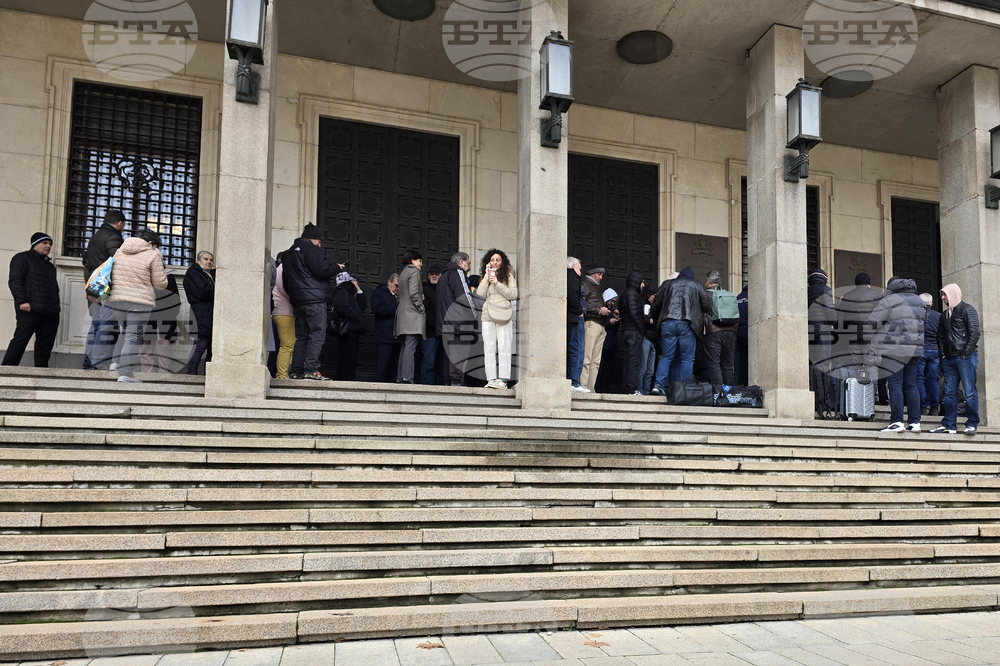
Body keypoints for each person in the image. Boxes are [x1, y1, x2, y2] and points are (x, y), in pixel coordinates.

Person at [282, 223, 344, 381]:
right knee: (317, 334)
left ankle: (296, 371)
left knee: (301, 337)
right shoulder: (311, 249)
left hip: (298, 302)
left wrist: (295, 296)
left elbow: (285, 280)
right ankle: (311, 370)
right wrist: (336, 267)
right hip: (315, 300)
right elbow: (322, 270)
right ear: (313, 238)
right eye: (319, 241)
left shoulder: (288, 254)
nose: (320, 244)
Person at [106, 228, 168, 382]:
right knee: (133, 337)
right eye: (154, 245)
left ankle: (116, 363)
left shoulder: (119, 251)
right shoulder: (153, 255)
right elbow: (161, 284)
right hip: (139, 302)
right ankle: (125, 374)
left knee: (126, 332)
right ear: (149, 243)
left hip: (117, 300)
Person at [649, 267, 710, 396]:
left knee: (666, 357)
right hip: (688, 323)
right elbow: (706, 305)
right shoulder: (697, 285)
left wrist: (654, 319)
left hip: (667, 322)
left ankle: (658, 385)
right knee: (687, 359)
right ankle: (683, 389)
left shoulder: (667, 284)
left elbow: (655, 305)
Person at [2, 232, 60, 368]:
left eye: (50, 244)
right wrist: (22, 301)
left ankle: (42, 373)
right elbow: (15, 281)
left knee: (45, 346)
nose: (48, 246)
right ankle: (7, 370)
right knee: (20, 340)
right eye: (44, 243)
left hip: (50, 312)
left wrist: (56, 309)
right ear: (35, 244)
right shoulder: (22, 258)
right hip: (30, 309)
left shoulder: (50, 266)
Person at [932, 284, 980, 435]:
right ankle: (949, 424)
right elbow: (940, 336)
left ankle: (972, 423)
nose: (943, 298)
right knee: (949, 393)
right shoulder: (944, 315)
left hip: (965, 357)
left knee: (969, 392)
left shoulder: (967, 310)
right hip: (949, 359)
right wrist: (942, 354)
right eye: (942, 295)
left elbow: (975, 333)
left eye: (945, 294)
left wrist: (965, 353)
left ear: (952, 294)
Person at [82, 210, 124, 370]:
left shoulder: (96, 236)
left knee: (97, 324)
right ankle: (98, 362)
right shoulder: (112, 237)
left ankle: (89, 359)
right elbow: (119, 261)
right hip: (108, 288)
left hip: (96, 288)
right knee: (107, 324)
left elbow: (87, 263)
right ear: (120, 223)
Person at [477, 249, 518, 390]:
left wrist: (497, 283)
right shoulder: (487, 275)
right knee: (488, 347)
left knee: (504, 346)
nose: (495, 262)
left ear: (503, 262)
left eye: (497, 260)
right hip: (488, 314)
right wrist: (486, 277)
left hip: (503, 314)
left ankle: (503, 380)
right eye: (492, 260)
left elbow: (513, 294)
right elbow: (480, 293)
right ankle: (491, 379)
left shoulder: (508, 275)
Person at [437, 252, 475, 387]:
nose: (469, 267)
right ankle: (455, 381)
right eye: (468, 263)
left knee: (450, 353)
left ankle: (449, 380)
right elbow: (464, 297)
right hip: (458, 321)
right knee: (459, 351)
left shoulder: (443, 277)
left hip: (445, 322)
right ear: (461, 262)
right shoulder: (458, 273)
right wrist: (474, 315)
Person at [702, 270, 739, 390]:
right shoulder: (729, 295)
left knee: (714, 363)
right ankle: (728, 394)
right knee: (728, 365)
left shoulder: (705, 295)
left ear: (708, 282)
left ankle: (718, 394)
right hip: (730, 333)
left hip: (713, 333)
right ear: (720, 282)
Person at [395, 252, 425, 384]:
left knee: (405, 346)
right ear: (413, 261)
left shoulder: (403, 273)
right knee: (410, 346)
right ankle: (407, 376)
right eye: (419, 260)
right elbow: (414, 292)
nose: (421, 264)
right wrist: (421, 308)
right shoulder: (414, 272)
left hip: (402, 313)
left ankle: (401, 376)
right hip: (412, 314)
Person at [579, 267, 612, 392]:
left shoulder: (594, 285)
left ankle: (590, 388)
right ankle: (582, 386)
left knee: (595, 361)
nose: (601, 277)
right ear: (592, 274)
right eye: (599, 274)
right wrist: (599, 310)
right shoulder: (585, 283)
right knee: (587, 358)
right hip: (591, 323)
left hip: (599, 325)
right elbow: (582, 302)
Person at [183, 250, 215, 375]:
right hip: (200, 313)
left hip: (208, 313)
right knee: (200, 344)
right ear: (198, 261)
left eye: (211, 260)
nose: (209, 262)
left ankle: (208, 373)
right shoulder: (193, 273)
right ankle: (191, 372)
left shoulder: (208, 274)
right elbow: (204, 291)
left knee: (210, 346)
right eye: (206, 259)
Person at [331, 272, 367, 381]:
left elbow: (363, 306)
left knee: (350, 356)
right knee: (347, 356)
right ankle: (345, 378)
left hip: (352, 329)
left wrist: (358, 289)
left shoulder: (349, 294)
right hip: (348, 329)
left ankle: (348, 377)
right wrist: (356, 317)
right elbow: (343, 308)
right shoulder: (341, 293)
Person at [141, 272, 180, 373]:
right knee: (146, 347)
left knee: (163, 345)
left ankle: (164, 375)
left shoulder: (169, 278)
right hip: (147, 317)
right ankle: (146, 375)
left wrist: (171, 314)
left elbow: (175, 299)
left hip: (165, 318)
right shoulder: (144, 276)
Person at [620, 271, 646, 395]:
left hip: (626, 331)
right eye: (642, 282)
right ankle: (632, 388)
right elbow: (634, 313)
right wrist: (641, 328)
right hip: (633, 332)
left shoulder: (625, 293)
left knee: (628, 360)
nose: (643, 285)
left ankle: (627, 387)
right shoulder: (632, 294)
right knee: (633, 361)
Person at [915, 293, 941, 417]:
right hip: (935, 350)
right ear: (931, 304)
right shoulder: (939, 316)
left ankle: (923, 407)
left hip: (920, 350)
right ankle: (935, 408)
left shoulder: (915, 316)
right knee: (933, 380)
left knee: (919, 379)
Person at [372, 273, 400, 383]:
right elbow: (377, 309)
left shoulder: (400, 295)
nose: (397, 288)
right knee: (383, 366)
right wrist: (397, 309)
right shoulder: (379, 293)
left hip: (397, 336)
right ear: (389, 282)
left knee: (394, 368)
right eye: (396, 285)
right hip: (384, 335)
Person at [271, 253, 295, 379]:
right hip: (284, 311)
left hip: (284, 311)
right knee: (287, 345)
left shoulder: (281, 268)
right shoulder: (283, 268)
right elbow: (283, 288)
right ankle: (281, 375)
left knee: (287, 344)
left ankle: (282, 374)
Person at [566, 257, 588, 393]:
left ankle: (572, 380)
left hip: (570, 318)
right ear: (573, 266)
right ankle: (574, 381)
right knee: (577, 349)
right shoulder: (572, 275)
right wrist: (580, 311)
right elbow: (573, 295)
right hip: (575, 318)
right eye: (579, 268)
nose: (580, 271)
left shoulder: (566, 276)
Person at [595, 288, 621, 394]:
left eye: (614, 302)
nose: (612, 303)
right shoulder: (601, 310)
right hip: (602, 346)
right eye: (612, 301)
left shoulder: (611, 312)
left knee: (607, 373)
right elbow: (598, 326)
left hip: (610, 347)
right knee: (599, 371)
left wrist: (616, 319)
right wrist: (610, 322)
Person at [421, 265, 443, 385]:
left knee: (443, 363)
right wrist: (436, 325)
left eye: (437, 274)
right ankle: (426, 387)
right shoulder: (424, 289)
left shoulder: (445, 290)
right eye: (432, 274)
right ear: (428, 276)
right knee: (428, 362)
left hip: (443, 332)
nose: (434, 276)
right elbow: (425, 311)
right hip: (430, 332)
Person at [640, 283, 658, 394]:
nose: (655, 299)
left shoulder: (655, 306)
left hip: (653, 339)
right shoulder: (643, 305)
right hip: (645, 338)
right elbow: (644, 320)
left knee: (650, 370)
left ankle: (646, 392)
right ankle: (640, 390)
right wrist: (650, 320)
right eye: (654, 296)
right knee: (643, 367)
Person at [736, 284, 749, 386]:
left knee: (742, 362)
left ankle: (742, 385)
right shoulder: (753, 296)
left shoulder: (738, 298)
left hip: (740, 332)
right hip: (750, 331)